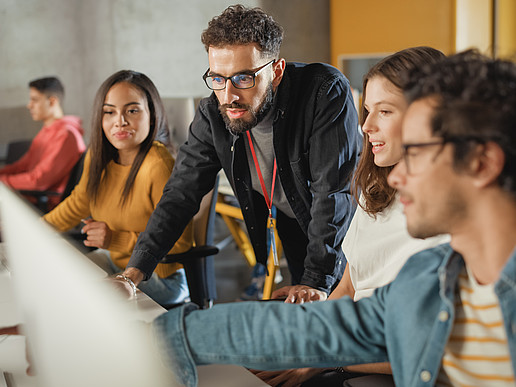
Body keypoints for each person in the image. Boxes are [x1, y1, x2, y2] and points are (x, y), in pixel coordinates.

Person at [149, 50, 516, 387]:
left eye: (417, 153)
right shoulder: (428, 278)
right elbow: (326, 329)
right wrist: (172, 335)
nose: (399, 175)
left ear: (481, 164)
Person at [122, 4, 361, 303]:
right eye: (218, 78)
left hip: (351, 232)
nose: (228, 95)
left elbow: (333, 193)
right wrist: (133, 274)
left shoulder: (324, 91)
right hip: (296, 225)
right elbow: (180, 193)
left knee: (349, 319)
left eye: (243, 78)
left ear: (276, 71)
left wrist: (316, 280)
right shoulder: (213, 112)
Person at [259, 46, 450, 387]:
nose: (365, 126)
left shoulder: (453, 219)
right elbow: (349, 284)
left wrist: (323, 358)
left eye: (385, 111)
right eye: (366, 110)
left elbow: (433, 348)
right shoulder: (376, 191)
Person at [44, 70, 194, 306]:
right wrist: (32, 230)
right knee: (57, 279)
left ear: (152, 116)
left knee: (82, 298)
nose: (120, 121)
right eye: (109, 112)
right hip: (116, 263)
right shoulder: (98, 156)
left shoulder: (158, 165)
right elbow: (77, 204)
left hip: (161, 278)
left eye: (132, 110)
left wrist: (115, 240)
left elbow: (181, 242)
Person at [0, 77, 86, 209]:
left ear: (52, 101)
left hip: (44, 204)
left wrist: (3, 181)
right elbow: (21, 166)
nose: (29, 105)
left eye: (34, 100)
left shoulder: (66, 135)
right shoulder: (47, 131)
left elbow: (38, 181)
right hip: (31, 197)